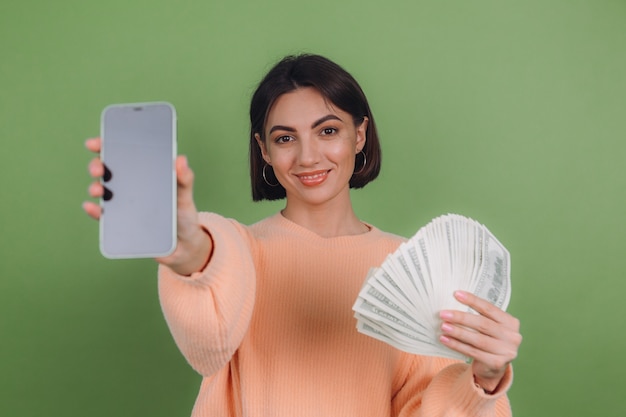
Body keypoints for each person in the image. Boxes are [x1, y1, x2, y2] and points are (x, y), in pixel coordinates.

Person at [83, 54, 522, 416]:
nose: (308, 156)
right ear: (264, 151)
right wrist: (191, 253)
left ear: (360, 135)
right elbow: (209, 333)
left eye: (327, 131)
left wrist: (483, 381)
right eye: (285, 138)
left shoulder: (411, 266)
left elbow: (425, 406)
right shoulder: (239, 249)